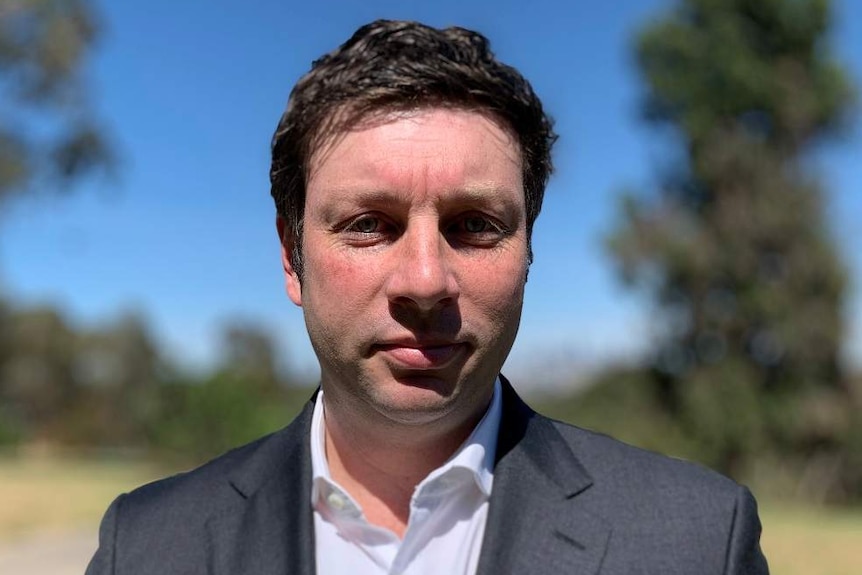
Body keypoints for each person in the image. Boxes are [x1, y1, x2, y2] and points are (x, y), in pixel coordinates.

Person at [86, 19, 769, 574]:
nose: (423, 279)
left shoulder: (697, 542)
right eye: (369, 224)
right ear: (292, 257)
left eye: (473, 225)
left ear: (528, 250)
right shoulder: (146, 548)